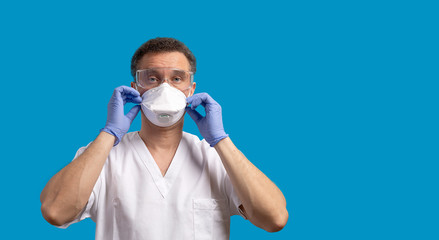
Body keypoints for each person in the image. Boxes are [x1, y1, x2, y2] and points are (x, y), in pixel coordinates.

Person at [40, 37, 288, 239]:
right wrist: (109, 134)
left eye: (177, 78)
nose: (165, 88)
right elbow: (55, 211)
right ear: (135, 88)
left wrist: (220, 140)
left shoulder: (216, 159)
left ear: (191, 90)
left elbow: (275, 218)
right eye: (152, 78)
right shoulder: (103, 156)